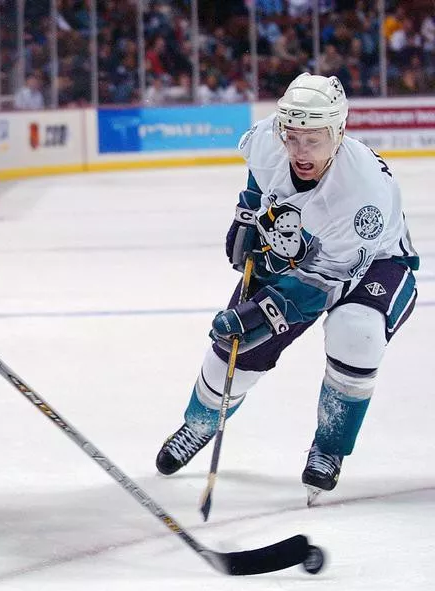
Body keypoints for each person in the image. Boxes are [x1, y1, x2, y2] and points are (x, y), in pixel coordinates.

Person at [154, 73, 418, 503]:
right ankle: (199, 425)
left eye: (312, 140)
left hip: (377, 266)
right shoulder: (267, 139)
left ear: (339, 131)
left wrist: (261, 313)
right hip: (300, 253)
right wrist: (247, 213)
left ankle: (329, 449)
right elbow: (260, 177)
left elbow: (324, 283)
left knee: (357, 331)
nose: (299, 151)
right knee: (231, 359)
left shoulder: (363, 194)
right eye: (292, 137)